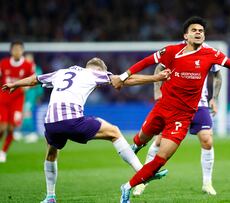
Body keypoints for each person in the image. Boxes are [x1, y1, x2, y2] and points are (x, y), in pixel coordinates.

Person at [111, 16, 230, 203]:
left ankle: (128, 187)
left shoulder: (212, 54)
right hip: (163, 107)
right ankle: (136, 147)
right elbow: (147, 62)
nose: (199, 33)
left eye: (201, 31)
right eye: (194, 30)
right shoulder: (171, 51)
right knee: (143, 138)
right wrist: (124, 75)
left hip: (183, 116)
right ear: (186, 35)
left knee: (162, 157)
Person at [2, 57, 171, 203]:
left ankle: (50, 196)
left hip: (51, 123)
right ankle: (143, 174)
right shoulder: (93, 73)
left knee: (52, 152)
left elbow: (34, 80)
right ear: (99, 69)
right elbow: (123, 80)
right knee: (114, 132)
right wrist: (156, 77)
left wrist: (14, 84)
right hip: (72, 120)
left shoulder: (61, 72)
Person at [132, 63, 222, 196]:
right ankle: (142, 181)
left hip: (200, 104)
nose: (199, 40)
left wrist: (214, 98)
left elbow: (217, 75)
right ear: (186, 39)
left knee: (207, 140)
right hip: (176, 104)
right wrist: (157, 91)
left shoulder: (210, 53)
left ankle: (207, 183)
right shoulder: (176, 51)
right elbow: (159, 68)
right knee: (159, 141)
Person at [0, 41, 34, 163]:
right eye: (15, 49)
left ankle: (3, 152)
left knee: (10, 128)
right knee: (2, 128)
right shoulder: (3, 64)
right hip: (3, 99)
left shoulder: (27, 65)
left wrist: (28, 87)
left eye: (19, 49)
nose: (17, 51)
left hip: (17, 100)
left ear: (22, 50)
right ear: (11, 51)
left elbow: (33, 80)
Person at [21, 53, 44, 143]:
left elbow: (39, 83)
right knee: (24, 113)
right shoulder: (22, 68)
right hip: (22, 95)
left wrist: (38, 95)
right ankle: (23, 132)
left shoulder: (36, 69)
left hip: (31, 95)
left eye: (29, 58)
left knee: (27, 113)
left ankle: (32, 133)